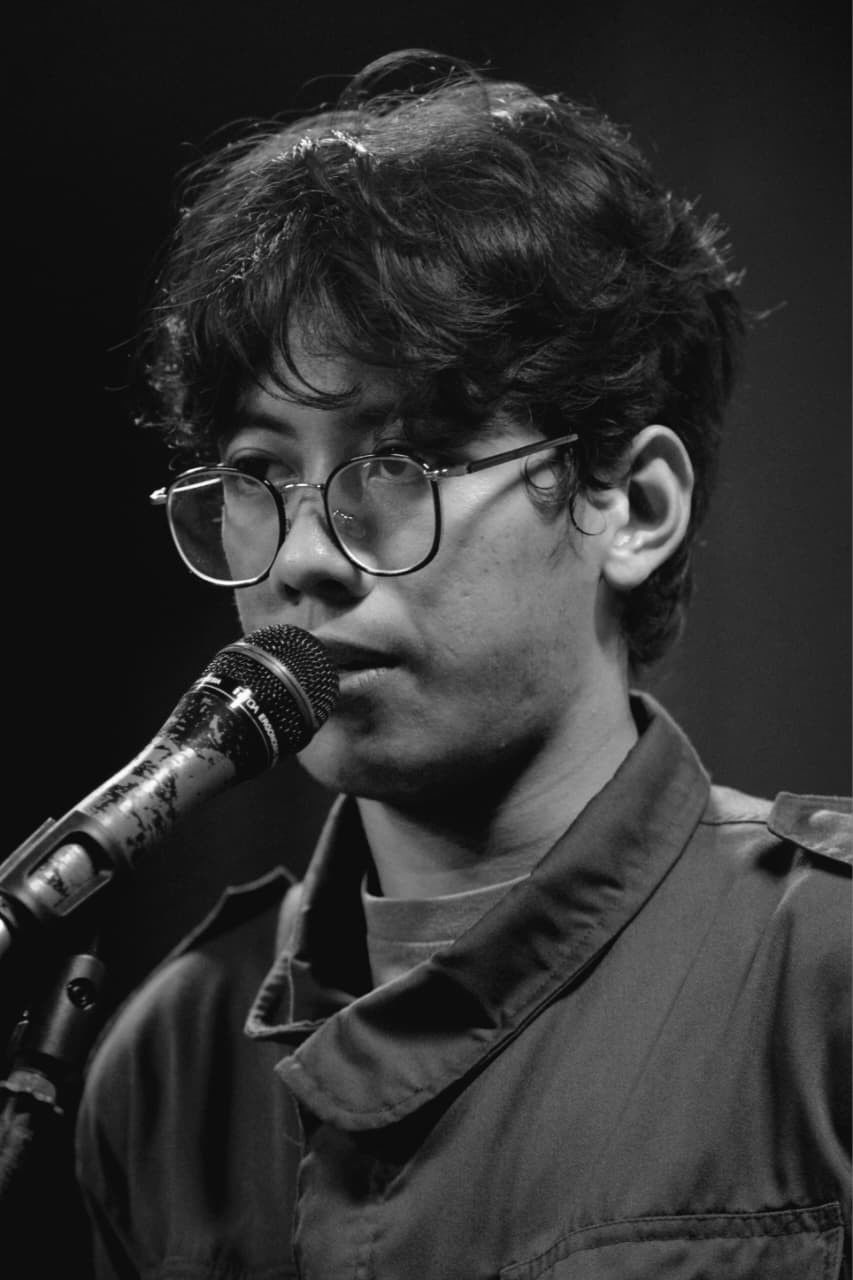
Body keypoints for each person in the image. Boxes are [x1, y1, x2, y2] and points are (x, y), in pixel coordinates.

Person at [74, 49, 851, 1279]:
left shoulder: (824, 972)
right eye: (261, 474)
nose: (306, 557)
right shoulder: (168, 1057)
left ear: (634, 505)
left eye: (401, 461)